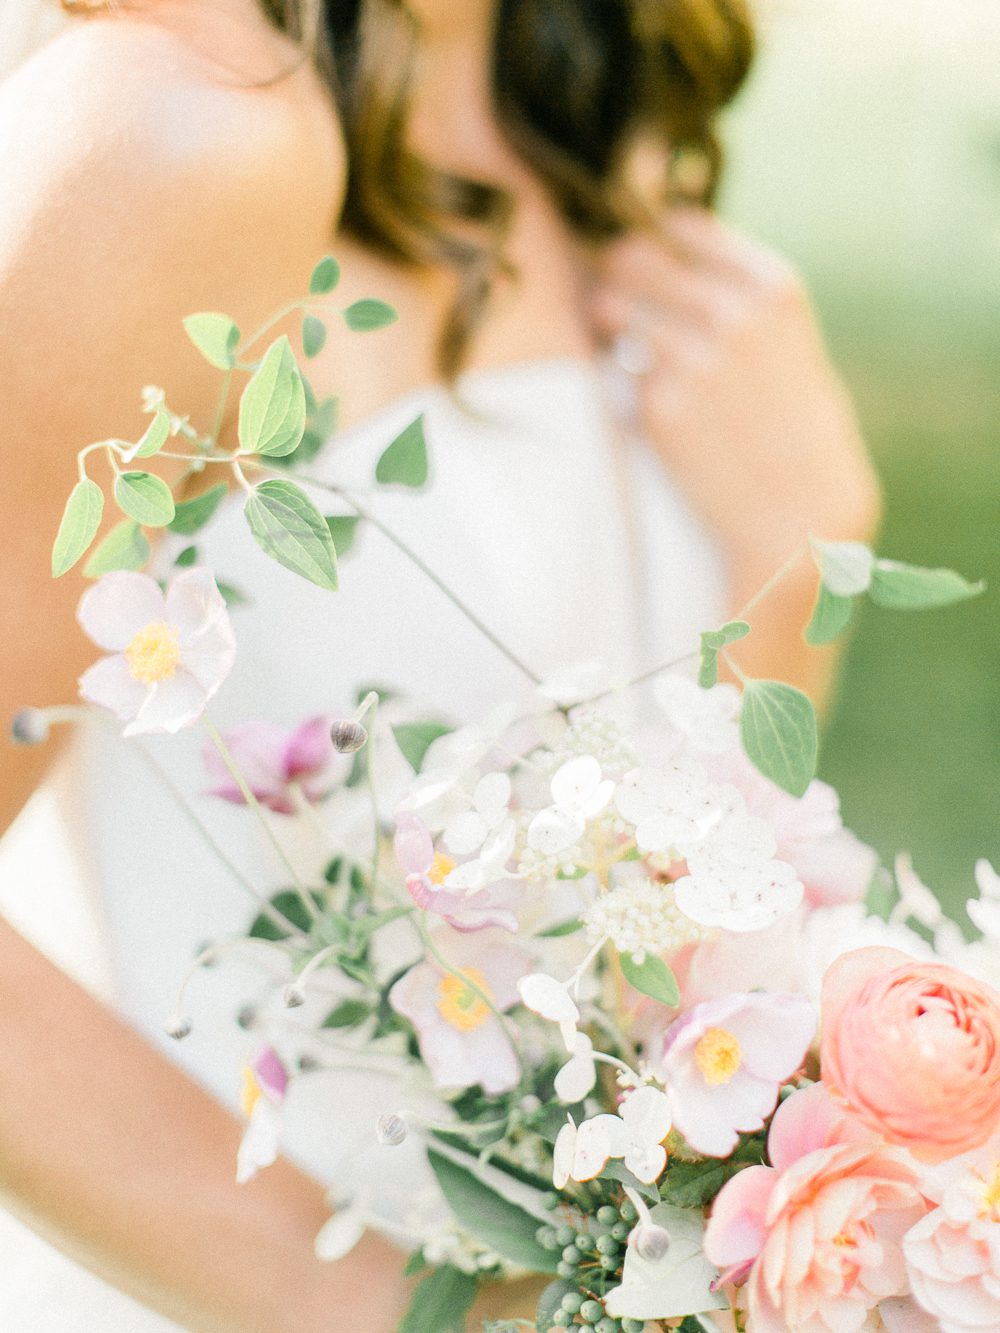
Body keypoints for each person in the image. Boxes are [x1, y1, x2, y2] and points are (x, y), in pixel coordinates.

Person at [0, 0, 880, 1328]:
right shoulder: (179, 126)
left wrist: (793, 555)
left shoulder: (587, 112)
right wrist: (414, 1313)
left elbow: (631, 953)